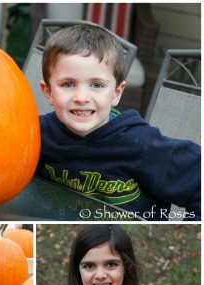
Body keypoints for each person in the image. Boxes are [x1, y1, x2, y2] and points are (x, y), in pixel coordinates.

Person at [37, 24, 201, 221]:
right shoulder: (38, 135)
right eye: (68, 84)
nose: (81, 97)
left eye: (96, 85)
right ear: (49, 92)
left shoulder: (142, 145)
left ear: (116, 93)